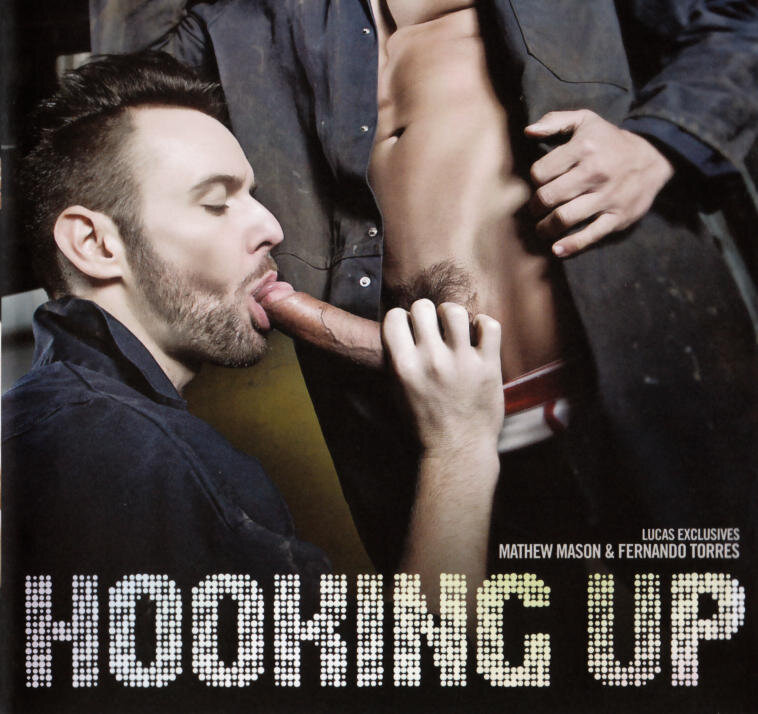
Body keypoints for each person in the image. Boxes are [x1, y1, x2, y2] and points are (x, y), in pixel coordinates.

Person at [88, 0, 758, 569]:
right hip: (433, 451)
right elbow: (123, 106)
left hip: (643, 394)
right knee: (490, 657)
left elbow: (732, 22)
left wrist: (658, 146)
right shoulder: (269, 5)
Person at [1, 52, 504, 708]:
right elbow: (408, 687)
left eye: (254, 197)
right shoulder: (120, 447)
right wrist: (461, 443)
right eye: (216, 203)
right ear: (96, 245)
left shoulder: (70, 417)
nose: (270, 227)